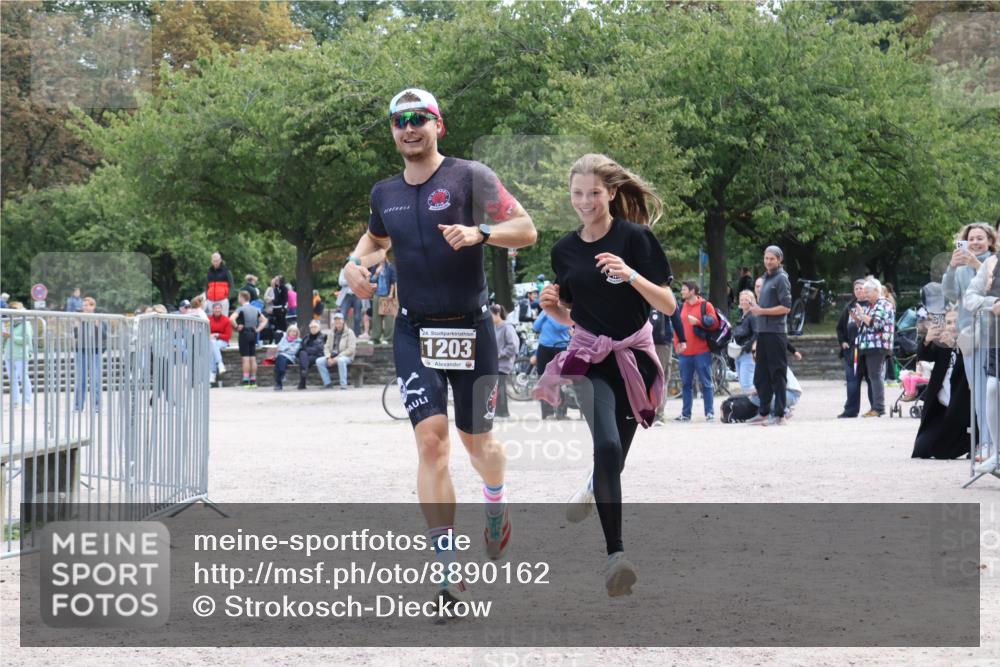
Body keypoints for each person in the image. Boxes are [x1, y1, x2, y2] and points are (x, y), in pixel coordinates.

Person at [341, 87, 536, 609]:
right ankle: (448, 573)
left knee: (480, 447)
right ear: (392, 131)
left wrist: (481, 233)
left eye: (419, 119)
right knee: (431, 443)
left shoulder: (470, 177)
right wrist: (351, 265)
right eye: (399, 120)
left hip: (471, 330)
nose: (409, 127)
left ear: (438, 126)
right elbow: (375, 242)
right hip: (415, 332)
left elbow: (527, 230)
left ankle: (495, 502)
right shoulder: (385, 193)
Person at [534, 153, 675, 597]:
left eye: (594, 193)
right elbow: (573, 316)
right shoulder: (564, 250)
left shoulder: (636, 239)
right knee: (608, 445)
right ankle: (616, 556)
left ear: (611, 193)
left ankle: (594, 484)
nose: (585, 201)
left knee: (613, 460)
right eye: (578, 194)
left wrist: (630, 274)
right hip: (590, 360)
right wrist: (551, 307)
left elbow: (668, 305)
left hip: (634, 358)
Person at [944, 222, 997, 450]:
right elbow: (949, 294)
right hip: (970, 335)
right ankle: (984, 443)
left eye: (980, 238)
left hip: (994, 334)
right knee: (978, 392)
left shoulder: (994, 262)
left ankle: (993, 443)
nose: (975, 242)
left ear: (990, 241)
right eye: (971, 238)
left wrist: (978, 265)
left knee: (992, 391)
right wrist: (951, 268)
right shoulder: (961, 268)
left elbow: (992, 290)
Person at [911, 309, 971, 459]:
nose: (952, 326)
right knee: (922, 449)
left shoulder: (972, 340)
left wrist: (955, 346)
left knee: (943, 452)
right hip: (942, 407)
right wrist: (927, 340)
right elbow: (925, 357)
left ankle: (974, 442)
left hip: (965, 410)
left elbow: (971, 361)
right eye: (948, 322)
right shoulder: (942, 343)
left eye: (956, 322)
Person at [962, 250, 1000, 471]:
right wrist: (993, 301)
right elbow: (969, 297)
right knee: (993, 389)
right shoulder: (991, 263)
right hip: (997, 338)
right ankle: (997, 452)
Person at [746, 246, 792, 426]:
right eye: (766, 258)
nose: (768, 261)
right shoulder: (766, 278)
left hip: (776, 332)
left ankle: (780, 414)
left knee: (777, 374)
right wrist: (755, 308)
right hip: (763, 332)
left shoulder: (781, 278)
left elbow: (786, 307)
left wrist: (762, 310)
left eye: (772, 258)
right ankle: (764, 411)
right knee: (760, 375)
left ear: (779, 259)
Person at [673, 281, 719, 422]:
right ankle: (686, 414)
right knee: (686, 384)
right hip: (685, 353)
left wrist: (698, 321)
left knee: (706, 382)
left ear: (692, 291)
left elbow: (715, 324)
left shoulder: (706, 305)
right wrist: (676, 344)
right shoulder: (680, 307)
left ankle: (709, 412)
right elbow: (676, 327)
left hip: (702, 351)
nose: (682, 292)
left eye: (684, 289)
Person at [853, 277, 895, 417]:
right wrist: (859, 319)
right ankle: (876, 407)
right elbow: (868, 325)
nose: (865, 295)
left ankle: (879, 408)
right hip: (872, 345)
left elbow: (876, 324)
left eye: (867, 292)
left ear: (877, 290)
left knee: (875, 376)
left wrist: (862, 315)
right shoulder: (875, 305)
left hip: (878, 345)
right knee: (873, 376)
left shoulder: (883, 304)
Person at [835, 279, 873, 418]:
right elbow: (840, 328)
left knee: (871, 380)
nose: (859, 290)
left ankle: (875, 408)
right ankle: (851, 410)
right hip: (852, 351)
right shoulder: (849, 307)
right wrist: (843, 341)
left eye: (861, 288)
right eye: (856, 288)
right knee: (852, 381)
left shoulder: (873, 305)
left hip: (869, 350)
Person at [533, 307, 572, 420]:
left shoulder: (566, 312)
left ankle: (561, 412)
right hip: (544, 348)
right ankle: (547, 412)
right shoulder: (545, 311)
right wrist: (547, 312)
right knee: (543, 379)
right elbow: (536, 326)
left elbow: (560, 326)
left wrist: (551, 314)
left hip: (560, 347)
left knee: (561, 380)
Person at [74, 297, 106, 412]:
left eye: (87, 305)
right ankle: (78, 406)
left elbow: (104, 336)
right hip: (81, 352)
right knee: (80, 380)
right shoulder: (78, 318)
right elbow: (75, 335)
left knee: (96, 380)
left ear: (93, 306)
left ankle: (96, 406)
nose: (84, 307)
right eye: (83, 305)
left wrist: (97, 325)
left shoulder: (100, 318)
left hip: (95, 352)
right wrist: (76, 325)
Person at [230, 290, 266, 388]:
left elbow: (231, 319)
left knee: (245, 358)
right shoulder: (256, 309)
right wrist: (258, 330)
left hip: (244, 334)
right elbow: (264, 320)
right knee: (252, 357)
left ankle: (246, 381)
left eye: (239, 297)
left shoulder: (240, 309)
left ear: (242, 298)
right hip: (253, 334)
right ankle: (253, 380)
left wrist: (237, 327)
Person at [2, 302, 33, 408]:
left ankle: (27, 401)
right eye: (10, 310)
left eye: (14, 310)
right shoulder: (7, 323)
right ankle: (15, 401)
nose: (12, 313)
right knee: (12, 379)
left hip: (20, 355)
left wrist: (12, 336)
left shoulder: (25, 323)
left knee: (23, 378)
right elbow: (4, 339)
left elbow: (27, 340)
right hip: (8, 355)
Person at [317, 312, 357, 389]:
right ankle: (328, 383)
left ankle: (343, 385)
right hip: (333, 356)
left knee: (341, 361)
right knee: (319, 361)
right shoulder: (331, 332)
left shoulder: (350, 332)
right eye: (335, 319)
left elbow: (351, 349)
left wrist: (337, 357)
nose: (337, 321)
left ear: (343, 321)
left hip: (346, 357)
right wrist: (328, 357)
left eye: (339, 319)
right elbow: (326, 347)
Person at [491, 304, 519, 418]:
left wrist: (500, 354)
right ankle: (500, 412)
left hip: (504, 363)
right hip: (494, 363)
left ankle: (502, 412)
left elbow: (513, 346)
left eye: (491, 315)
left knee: (499, 387)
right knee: (496, 387)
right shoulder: (493, 327)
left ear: (497, 314)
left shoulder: (507, 327)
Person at [732, 290, 758, 394]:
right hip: (739, 355)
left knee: (747, 386)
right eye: (741, 299)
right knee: (744, 385)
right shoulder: (742, 317)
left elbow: (757, 334)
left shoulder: (753, 317)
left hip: (747, 355)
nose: (743, 302)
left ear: (752, 301)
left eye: (746, 299)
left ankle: (753, 408)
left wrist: (747, 348)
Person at [370, 258, 398, 345]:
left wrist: (391, 294)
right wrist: (376, 274)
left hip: (387, 294)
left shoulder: (389, 267)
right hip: (377, 294)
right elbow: (371, 280)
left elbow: (394, 281)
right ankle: (375, 338)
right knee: (376, 318)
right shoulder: (374, 267)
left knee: (389, 318)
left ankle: (388, 338)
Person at [296, 319, 327, 390]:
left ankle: (302, 382)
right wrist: (305, 352)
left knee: (304, 359)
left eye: (315, 327)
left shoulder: (324, 337)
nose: (313, 329)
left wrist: (306, 351)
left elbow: (319, 349)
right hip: (306, 357)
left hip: (318, 356)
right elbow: (301, 348)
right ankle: (304, 371)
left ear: (319, 327)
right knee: (303, 355)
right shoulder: (306, 337)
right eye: (311, 327)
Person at [208, 302, 232, 385]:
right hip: (211, 341)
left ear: (221, 309)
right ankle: (220, 363)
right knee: (213, 344)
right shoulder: (208, 319)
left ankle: (212, 373)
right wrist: (210, 335)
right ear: (212, 310)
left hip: (223, 341)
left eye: (219, 308)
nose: (217, 310)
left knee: (213, 346)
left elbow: (228, 336)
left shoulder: (226, 320)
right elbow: (206, 332)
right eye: (215, 308)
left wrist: (217, 335)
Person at [272, 324, 301, 391]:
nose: (293, 333)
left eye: (295, 332)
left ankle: (279, 383)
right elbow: (278, 347)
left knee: (280, 359)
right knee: (280, 358)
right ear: (288, 332)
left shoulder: (298, 341)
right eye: (291, 331)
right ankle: (281, 376)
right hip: (281, 356)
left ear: (297, 333)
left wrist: (283, 349)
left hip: (290, 358)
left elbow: (293, 351)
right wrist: (287, 348)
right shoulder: (284, 338)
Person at [338, 266, 364, 335]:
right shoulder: (344, 270)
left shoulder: (360, 270)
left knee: (357, 316)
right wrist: (351, 280)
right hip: (347, 295)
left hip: (357, 295)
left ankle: (356, 334)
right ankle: (341, 332)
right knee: (342, 314)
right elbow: (340, 282)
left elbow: (362, 282)